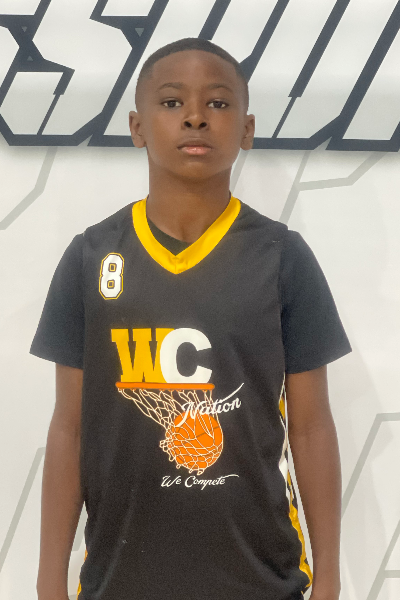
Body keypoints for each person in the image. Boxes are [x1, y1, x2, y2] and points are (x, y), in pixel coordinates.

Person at [30, 37, 351, 600]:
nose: (196, 117)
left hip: (262, 578)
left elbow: (311, 427)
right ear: (137, 127)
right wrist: (47, 578)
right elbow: (69, 428)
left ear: (246, 129)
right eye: (173, 102)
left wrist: (328, 577)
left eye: (218, 103)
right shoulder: (91, 257)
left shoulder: (282, 258)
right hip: (119, 580)